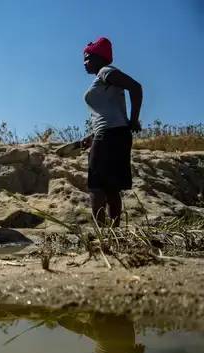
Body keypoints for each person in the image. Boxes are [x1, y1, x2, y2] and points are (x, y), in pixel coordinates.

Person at [80, 37, 143, 226]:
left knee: (96, 187)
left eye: (88, 58)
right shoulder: (102, 78)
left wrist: (134, 119)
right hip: (115, 134)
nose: (84, 63)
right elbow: (109, 112)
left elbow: (136, 87)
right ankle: (114, 234)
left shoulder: (105, 72)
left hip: (110, 135)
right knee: (111, 188)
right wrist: (92, 136)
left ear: (99, 58)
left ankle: (101, 234)